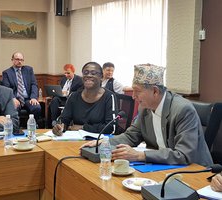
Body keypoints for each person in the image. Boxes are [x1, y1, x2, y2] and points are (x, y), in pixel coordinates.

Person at [82, 63, 213, 167]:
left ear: (155, 91)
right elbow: (131, 136)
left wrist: (139, 155)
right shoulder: (144, 108)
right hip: (161, 167)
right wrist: (103, 142)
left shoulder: (182, 110)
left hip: (195, 171)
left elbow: (183, 155)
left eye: (137, 91)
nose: (133, 97)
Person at [52, 61, 117, 136]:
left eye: (93, 73)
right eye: (85, 73)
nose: (89, 75)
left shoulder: (109, 97)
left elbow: (111, 127)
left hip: (99, 142)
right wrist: (60, 127)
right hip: (74, 140)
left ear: (101, 77)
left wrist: (83, 127)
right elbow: (64, 119)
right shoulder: (73, 96)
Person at [2, 52, 41, 122]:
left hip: (28, 99)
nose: (19, 61)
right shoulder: (7, 73)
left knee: (36, 107)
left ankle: (34, 126)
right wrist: (12, 98)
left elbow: (34, 84)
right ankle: (15, 127)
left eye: (21, 60)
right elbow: (6, 88)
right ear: (12, 60)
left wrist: (33, 97)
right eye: (17, 59)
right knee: (12, 108)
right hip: (15, 99)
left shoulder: (29, 70)